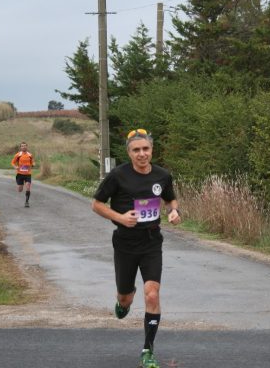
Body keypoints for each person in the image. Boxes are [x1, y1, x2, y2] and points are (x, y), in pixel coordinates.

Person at [92, 128, 181, 368]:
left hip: (152, 242)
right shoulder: (118, 176)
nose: (142, 154)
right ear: (129, 153)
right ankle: (123, 302)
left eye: (146, 149)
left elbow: (170, 198)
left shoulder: (163, 175)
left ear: (152, 150)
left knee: (152, 293)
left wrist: (174, 210)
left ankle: (148, 350)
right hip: (125, 243)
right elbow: (97, 204)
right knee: (125, 297)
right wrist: (120, 218)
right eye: (136, 150)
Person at [11, 141, 35, 208]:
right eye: (22, 146)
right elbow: (12, 162)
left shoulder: (30, 155)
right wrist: (15, 167)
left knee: (28, 186)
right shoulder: (18, 155)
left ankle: (27, 202)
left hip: (28, 174)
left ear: (27, 147)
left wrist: (33, 164)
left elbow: (33, 162)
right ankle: (20, 186)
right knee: (20, 189)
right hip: (20, 174)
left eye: (25, 146)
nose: (24, 147)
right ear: (20, 147)